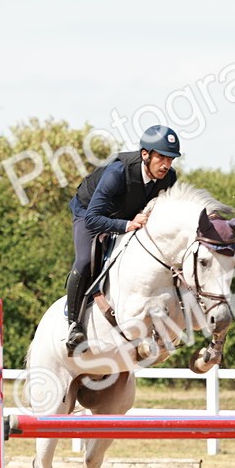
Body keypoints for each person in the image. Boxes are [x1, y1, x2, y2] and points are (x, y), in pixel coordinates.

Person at [63, 124, 181, 354]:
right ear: (145, 154)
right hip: (89, 212)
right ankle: (73, 325)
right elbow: (93, 219)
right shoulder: (118, 173)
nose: (166, 164)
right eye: (161, 157)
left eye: (171, 159)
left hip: (127, 214)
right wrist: (126, 225)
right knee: (86, 260)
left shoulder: (169, 178)